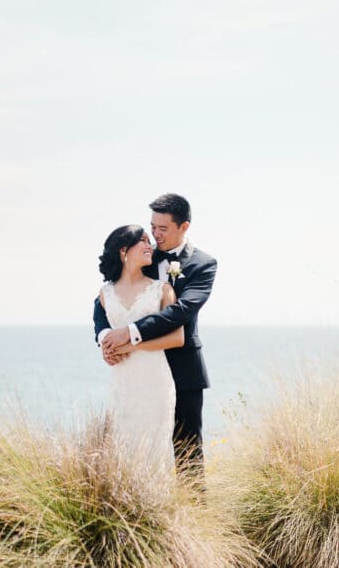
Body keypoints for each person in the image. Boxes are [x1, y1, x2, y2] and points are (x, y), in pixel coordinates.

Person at [94, 193, 217, 483]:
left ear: (184, 227)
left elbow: (182, 311)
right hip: (138, 371)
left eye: (163, 229)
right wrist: (105, 338)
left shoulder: (203, 264)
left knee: (187, 451)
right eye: (153, 227)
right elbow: (105, 300)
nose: (155, 234)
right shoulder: (144, 255)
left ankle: (196, 518)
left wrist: (131, 334)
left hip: (183, 367)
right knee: (136, 443)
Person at [96, 224, 185, 475]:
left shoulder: (162, 290)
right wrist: (108, 349)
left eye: (150, 241)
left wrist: (133, 345)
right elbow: (105, 333)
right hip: (122, 381)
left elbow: (178, 337)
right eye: (143, 241)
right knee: (122, 446)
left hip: (155, 380)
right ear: (124, 250)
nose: (150, 246)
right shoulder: (105, 294)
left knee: (154, 449)